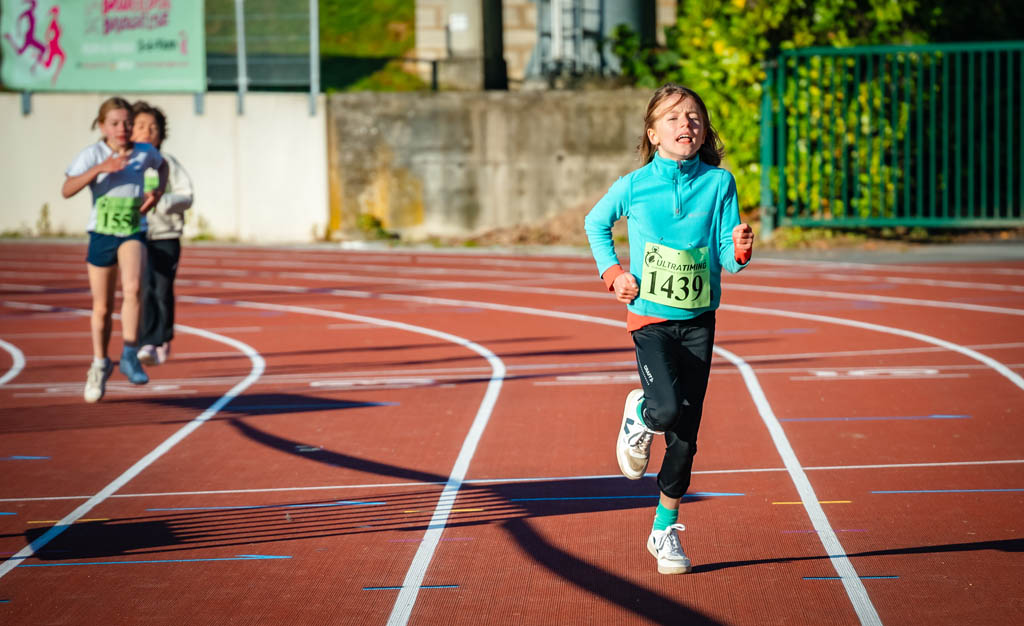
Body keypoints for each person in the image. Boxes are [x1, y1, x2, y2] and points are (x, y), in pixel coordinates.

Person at [583, 84, 754, 575]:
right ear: (654, 133)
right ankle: (639, 414)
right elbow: (595, 223)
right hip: (652, 319)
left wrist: (740, 247)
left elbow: (728, 257)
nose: (687, 125)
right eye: (674, 118)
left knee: (686, 435)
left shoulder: (719, 183)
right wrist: (614, 274)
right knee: (664, 409)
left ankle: (664, 529)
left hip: (699, 320)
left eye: (694, 117)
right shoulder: (634, 185)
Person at [63, 96, 168, 403]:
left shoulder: (145, 152)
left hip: (133, 230)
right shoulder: (92, 154)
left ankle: (130, 354)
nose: (122, 128)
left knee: (133, 288)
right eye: (115, 123)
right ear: (102, 126)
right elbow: (67, 189)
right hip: (102, 233)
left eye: (127, 123)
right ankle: (99, 363)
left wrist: (157, 192)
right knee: (102, 307)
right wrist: (100, 169)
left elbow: (162, 167)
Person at [130, 101, 194, 366]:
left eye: (153, 127)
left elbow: (187, 196)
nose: (147, 132)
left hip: (166, 234)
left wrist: (163, 201)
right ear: (130, 130)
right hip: (136, 234)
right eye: (141, 126)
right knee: (143, 286)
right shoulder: (126, 163)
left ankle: (163, 337)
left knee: (162, 288)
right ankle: (148, 341)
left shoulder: (169, 163)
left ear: (161, 133)